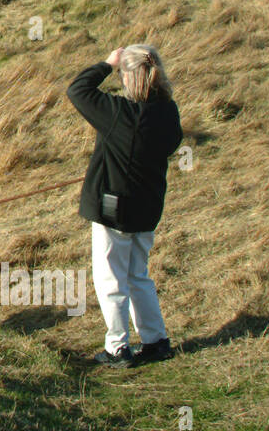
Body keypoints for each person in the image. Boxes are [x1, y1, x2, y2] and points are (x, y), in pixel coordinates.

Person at [66, 45, 182, 368]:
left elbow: (77, 90)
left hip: (113, 211)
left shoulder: (119, 114)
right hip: (146, 211)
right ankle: (155, 340)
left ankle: (117, 347)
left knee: (111, 279)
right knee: (137, 276)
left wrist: (107, 62)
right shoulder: (168, 114)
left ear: (129, 77)